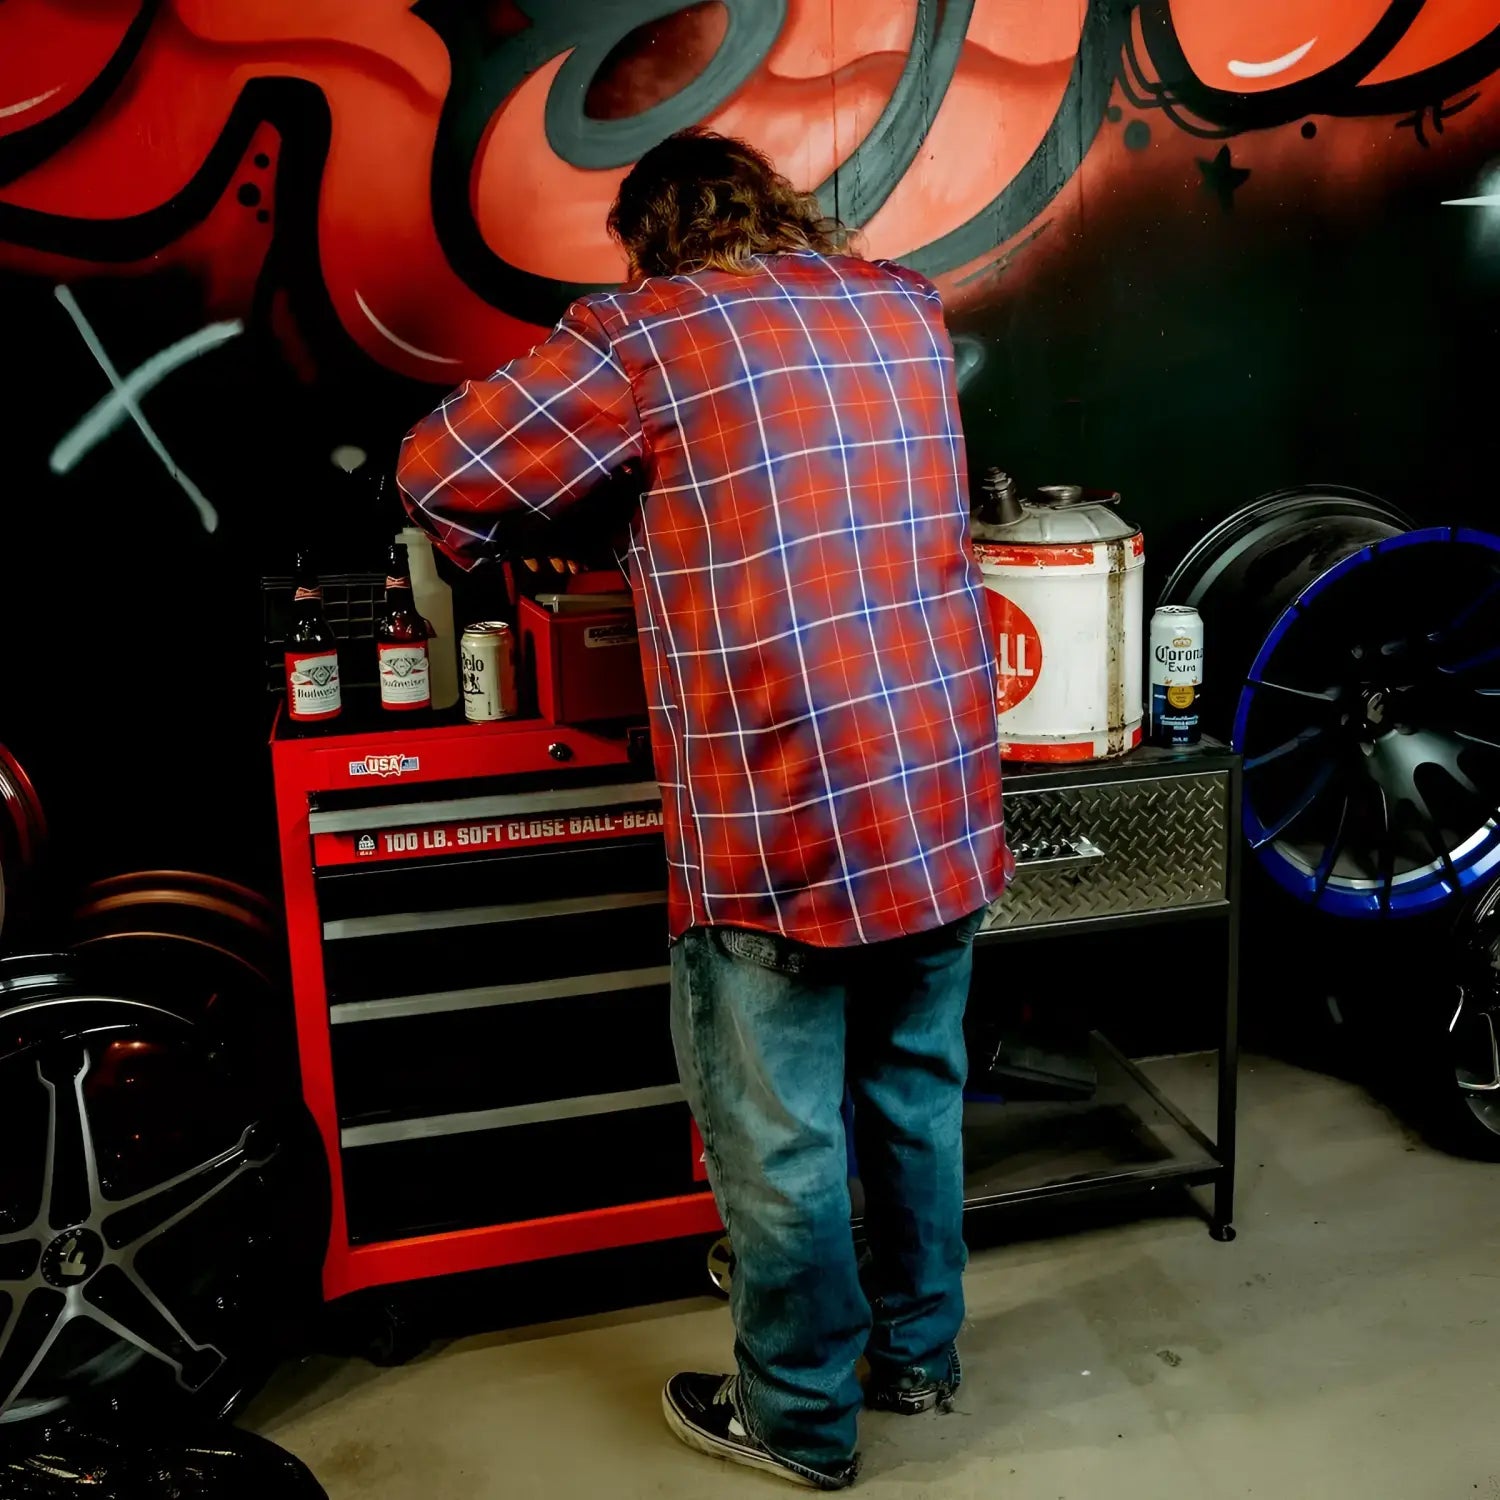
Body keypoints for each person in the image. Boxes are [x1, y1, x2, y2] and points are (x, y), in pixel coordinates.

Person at [397, 129, 1009, 1491]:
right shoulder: (902, 306)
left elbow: (440, 467)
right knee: (916, 1097)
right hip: (938, 783)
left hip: (778, 805)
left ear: (651, 239)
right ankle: (919, 1355)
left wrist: (551, 521)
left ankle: (798, 1417)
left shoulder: (648, 333)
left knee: (781, 1137)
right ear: (776, 209)